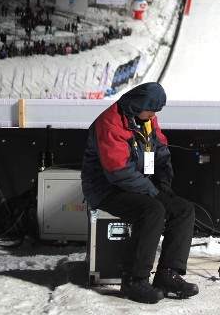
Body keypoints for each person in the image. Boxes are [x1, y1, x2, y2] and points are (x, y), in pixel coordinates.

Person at [81, 82, 198, 304]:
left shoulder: (146, 118)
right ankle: (134, 280)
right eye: (151, 110)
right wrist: (153, 192)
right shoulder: (110, 123)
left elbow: (161, 151)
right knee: (153, 210)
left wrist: (163, 183)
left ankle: (168, 274)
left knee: (183, 209)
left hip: (140, 184)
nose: (154, 115)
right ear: (138, 105)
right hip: (107, 188)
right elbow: (118, 171)